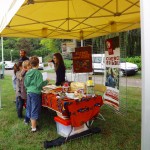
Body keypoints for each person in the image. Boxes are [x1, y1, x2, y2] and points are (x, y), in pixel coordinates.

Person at [24, 56, 49, 132]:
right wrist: (46, 81)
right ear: (38, 64)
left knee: (30, 108)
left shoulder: (28, 72)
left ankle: (32, 125)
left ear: (30, 64)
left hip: (29, 93)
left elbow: (26, 84)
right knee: (35, 109)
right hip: (35, 94)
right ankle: (34, 128)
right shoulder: (38, 73)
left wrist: (30, 89)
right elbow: (39, 85)